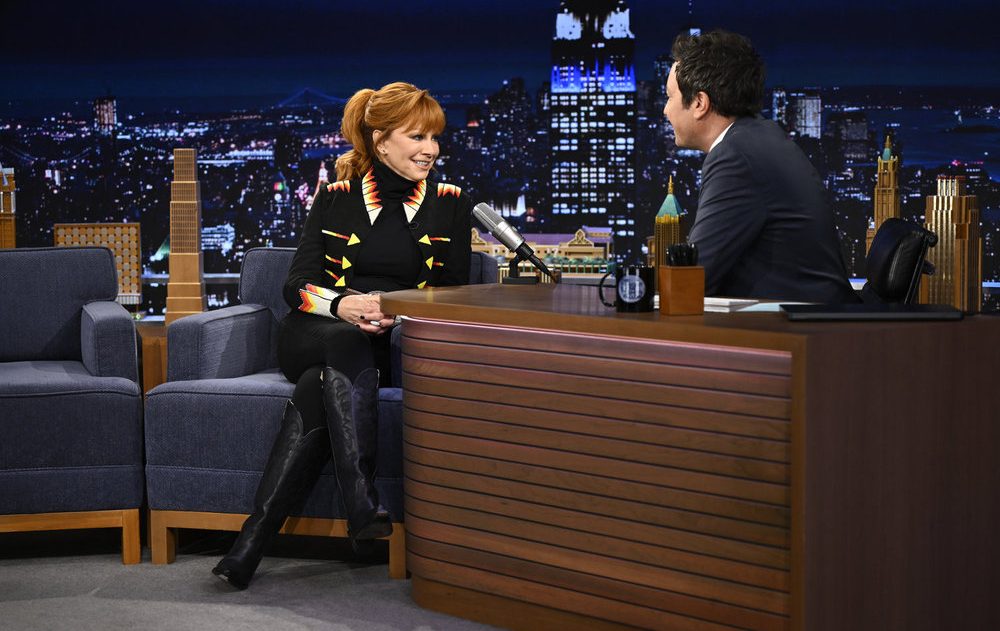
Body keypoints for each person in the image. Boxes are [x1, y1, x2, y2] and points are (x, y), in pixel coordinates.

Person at [212, 82, 472, 590]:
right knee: (342, 342)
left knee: (318, 384)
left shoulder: (451, 203)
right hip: (316, 330)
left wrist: (398, 314)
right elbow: (295, 286)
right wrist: (342, 306)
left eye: (435, 137)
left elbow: (453, 292)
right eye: (417, 136)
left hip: (386, 342)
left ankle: (250, 544)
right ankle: (361, 501)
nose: (431, 149)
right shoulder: (334, 198)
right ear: (381, 141)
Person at [664, 30, 857, 302]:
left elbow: (692, 279)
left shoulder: (735, 157)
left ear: (699, 103)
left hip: (797, 322)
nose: (666, 110)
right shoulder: (759, 136)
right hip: (809, 314)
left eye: (670, 97)